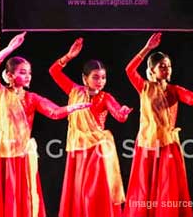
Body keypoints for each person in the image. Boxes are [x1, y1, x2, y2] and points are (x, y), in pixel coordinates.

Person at [0, 31, 91, 217]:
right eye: (22, 72)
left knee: (23, 200)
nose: (28, 76)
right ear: (10, 76)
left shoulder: (32, 98)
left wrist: (72, 107)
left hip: (21, 157)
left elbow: (54, 112)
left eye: (29, 72)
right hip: (0, 156)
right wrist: (9, 49)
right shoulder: (0, 93)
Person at [123, 32, 193, 217]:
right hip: (147, 144)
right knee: (145, 186)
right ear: (151, 70)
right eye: (162, 66)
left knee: (168, 185)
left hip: (168, 144)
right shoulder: (144, 87)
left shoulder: (174, 90)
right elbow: (129, 70)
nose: (167, 69)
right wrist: (147, 48)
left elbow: (192, 99)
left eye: (169, 66)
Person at [49, 38, 132, 217]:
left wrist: (123, 113)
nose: (100, 81)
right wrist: (69, 56)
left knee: (94, 191)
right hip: (79, 149)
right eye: (95, 77)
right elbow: (54, 71)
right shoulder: (74, 91)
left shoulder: (106, 97)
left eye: (103, 77)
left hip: (98, 151)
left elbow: (118, 115)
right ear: (84, 78)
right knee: (79, 190)